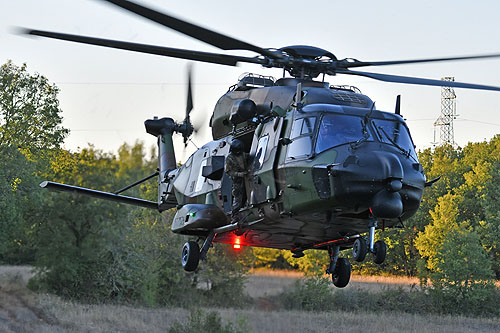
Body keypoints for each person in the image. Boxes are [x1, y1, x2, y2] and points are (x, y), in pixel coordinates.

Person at [225, 139, 248, 227]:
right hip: (237, 179)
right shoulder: (229, 158)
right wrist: (239, 174)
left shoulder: (243, 155)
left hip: (247, 176)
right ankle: (234, 216)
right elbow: (228, 172)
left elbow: (250, 157)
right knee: (237, 197)